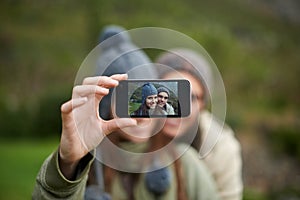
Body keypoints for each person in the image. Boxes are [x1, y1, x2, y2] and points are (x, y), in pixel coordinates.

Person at [32, 25, 220, 200]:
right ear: (106, 109)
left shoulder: (184, 163)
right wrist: (68, 165)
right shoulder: (82, 165)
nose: (141, 116)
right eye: (131, 101)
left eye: (151, 99)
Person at [155, 48, 243, 200]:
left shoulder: (221, 148)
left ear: (203, 104)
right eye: (169, 93)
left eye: (191, 98)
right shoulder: (135, 130)